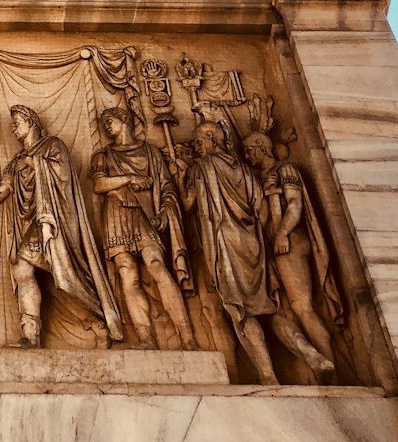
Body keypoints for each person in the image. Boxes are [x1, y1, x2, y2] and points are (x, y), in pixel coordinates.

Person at [177, 120, 333, 384]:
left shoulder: (202, 168)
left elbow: (189, 203)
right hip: (253, 246)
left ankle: (268, 376)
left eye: (198, 142)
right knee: (270, 312)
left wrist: (181, 176)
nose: (196, 147)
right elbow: (261, 210)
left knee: (241, 314)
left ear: (211, 139)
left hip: (224, 247)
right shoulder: (245, 171)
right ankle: (312, 356)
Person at [4, 104, 123, 348]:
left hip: (55, 222)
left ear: (31, 121)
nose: (13, 127)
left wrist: (34, 162)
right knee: (29, 268)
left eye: (17, 121)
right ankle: (32, 336)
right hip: (34, 222)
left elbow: (64, 176)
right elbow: (3, 189)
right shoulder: (17, 160)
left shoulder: (52, 145)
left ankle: (98, 319)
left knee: (50, 269)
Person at [89, 107, 196, 350]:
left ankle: (187, 337)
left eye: (110, 121)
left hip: (146, 215)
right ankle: (145, 338)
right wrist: (129, 179)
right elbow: (99, 184)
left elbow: (166, 186)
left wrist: (165, 213)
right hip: (116, 214)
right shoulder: (103, 156)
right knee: (128, 273)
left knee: (157, 265)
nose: (107, 126)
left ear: (124, 120)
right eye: (104, 123)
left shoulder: (150, 152)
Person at [242, 131, 342, 364]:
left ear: (262, 146)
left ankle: (333, 367)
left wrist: (282, 234)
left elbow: (295, 204)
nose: (246, 156)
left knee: (302, 306)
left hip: (289, 243)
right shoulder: (262, 176)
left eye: (249, 150)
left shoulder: (284, 170)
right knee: (283, 312)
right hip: (272, 247)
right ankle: (316, 361)